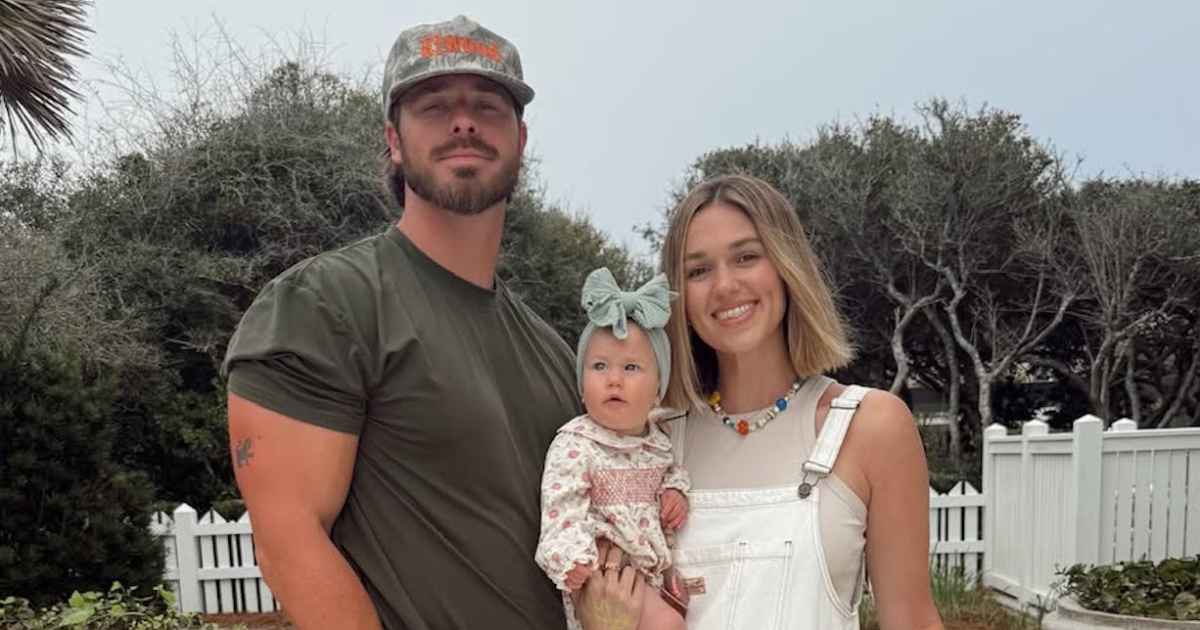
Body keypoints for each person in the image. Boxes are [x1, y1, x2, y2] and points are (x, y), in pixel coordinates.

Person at [222, 15, 639, 629]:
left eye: (487, 106)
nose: (463, 122)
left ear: (521, 139)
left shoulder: (555, 353)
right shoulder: (326, 305)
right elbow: (289, 539)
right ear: (394, 140)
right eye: (435, 106)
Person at [657, 174, 944, 630]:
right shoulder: (654, 441)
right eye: (698, 270)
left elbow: (912, 620)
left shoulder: (870, 426)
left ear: (787, 267)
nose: (724, 285)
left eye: (746, 257)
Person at [535, 268, 690, 630]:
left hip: (648, 576)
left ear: (658, 389)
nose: (614, 379)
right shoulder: (576, 443)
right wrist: (571, 559)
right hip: (601, 577)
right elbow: (561, 510)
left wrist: (675, 492)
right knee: (669, 625)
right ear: (581, 386)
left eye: (631, 367)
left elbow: (672, 471)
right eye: (599, 366)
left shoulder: (657, 442)